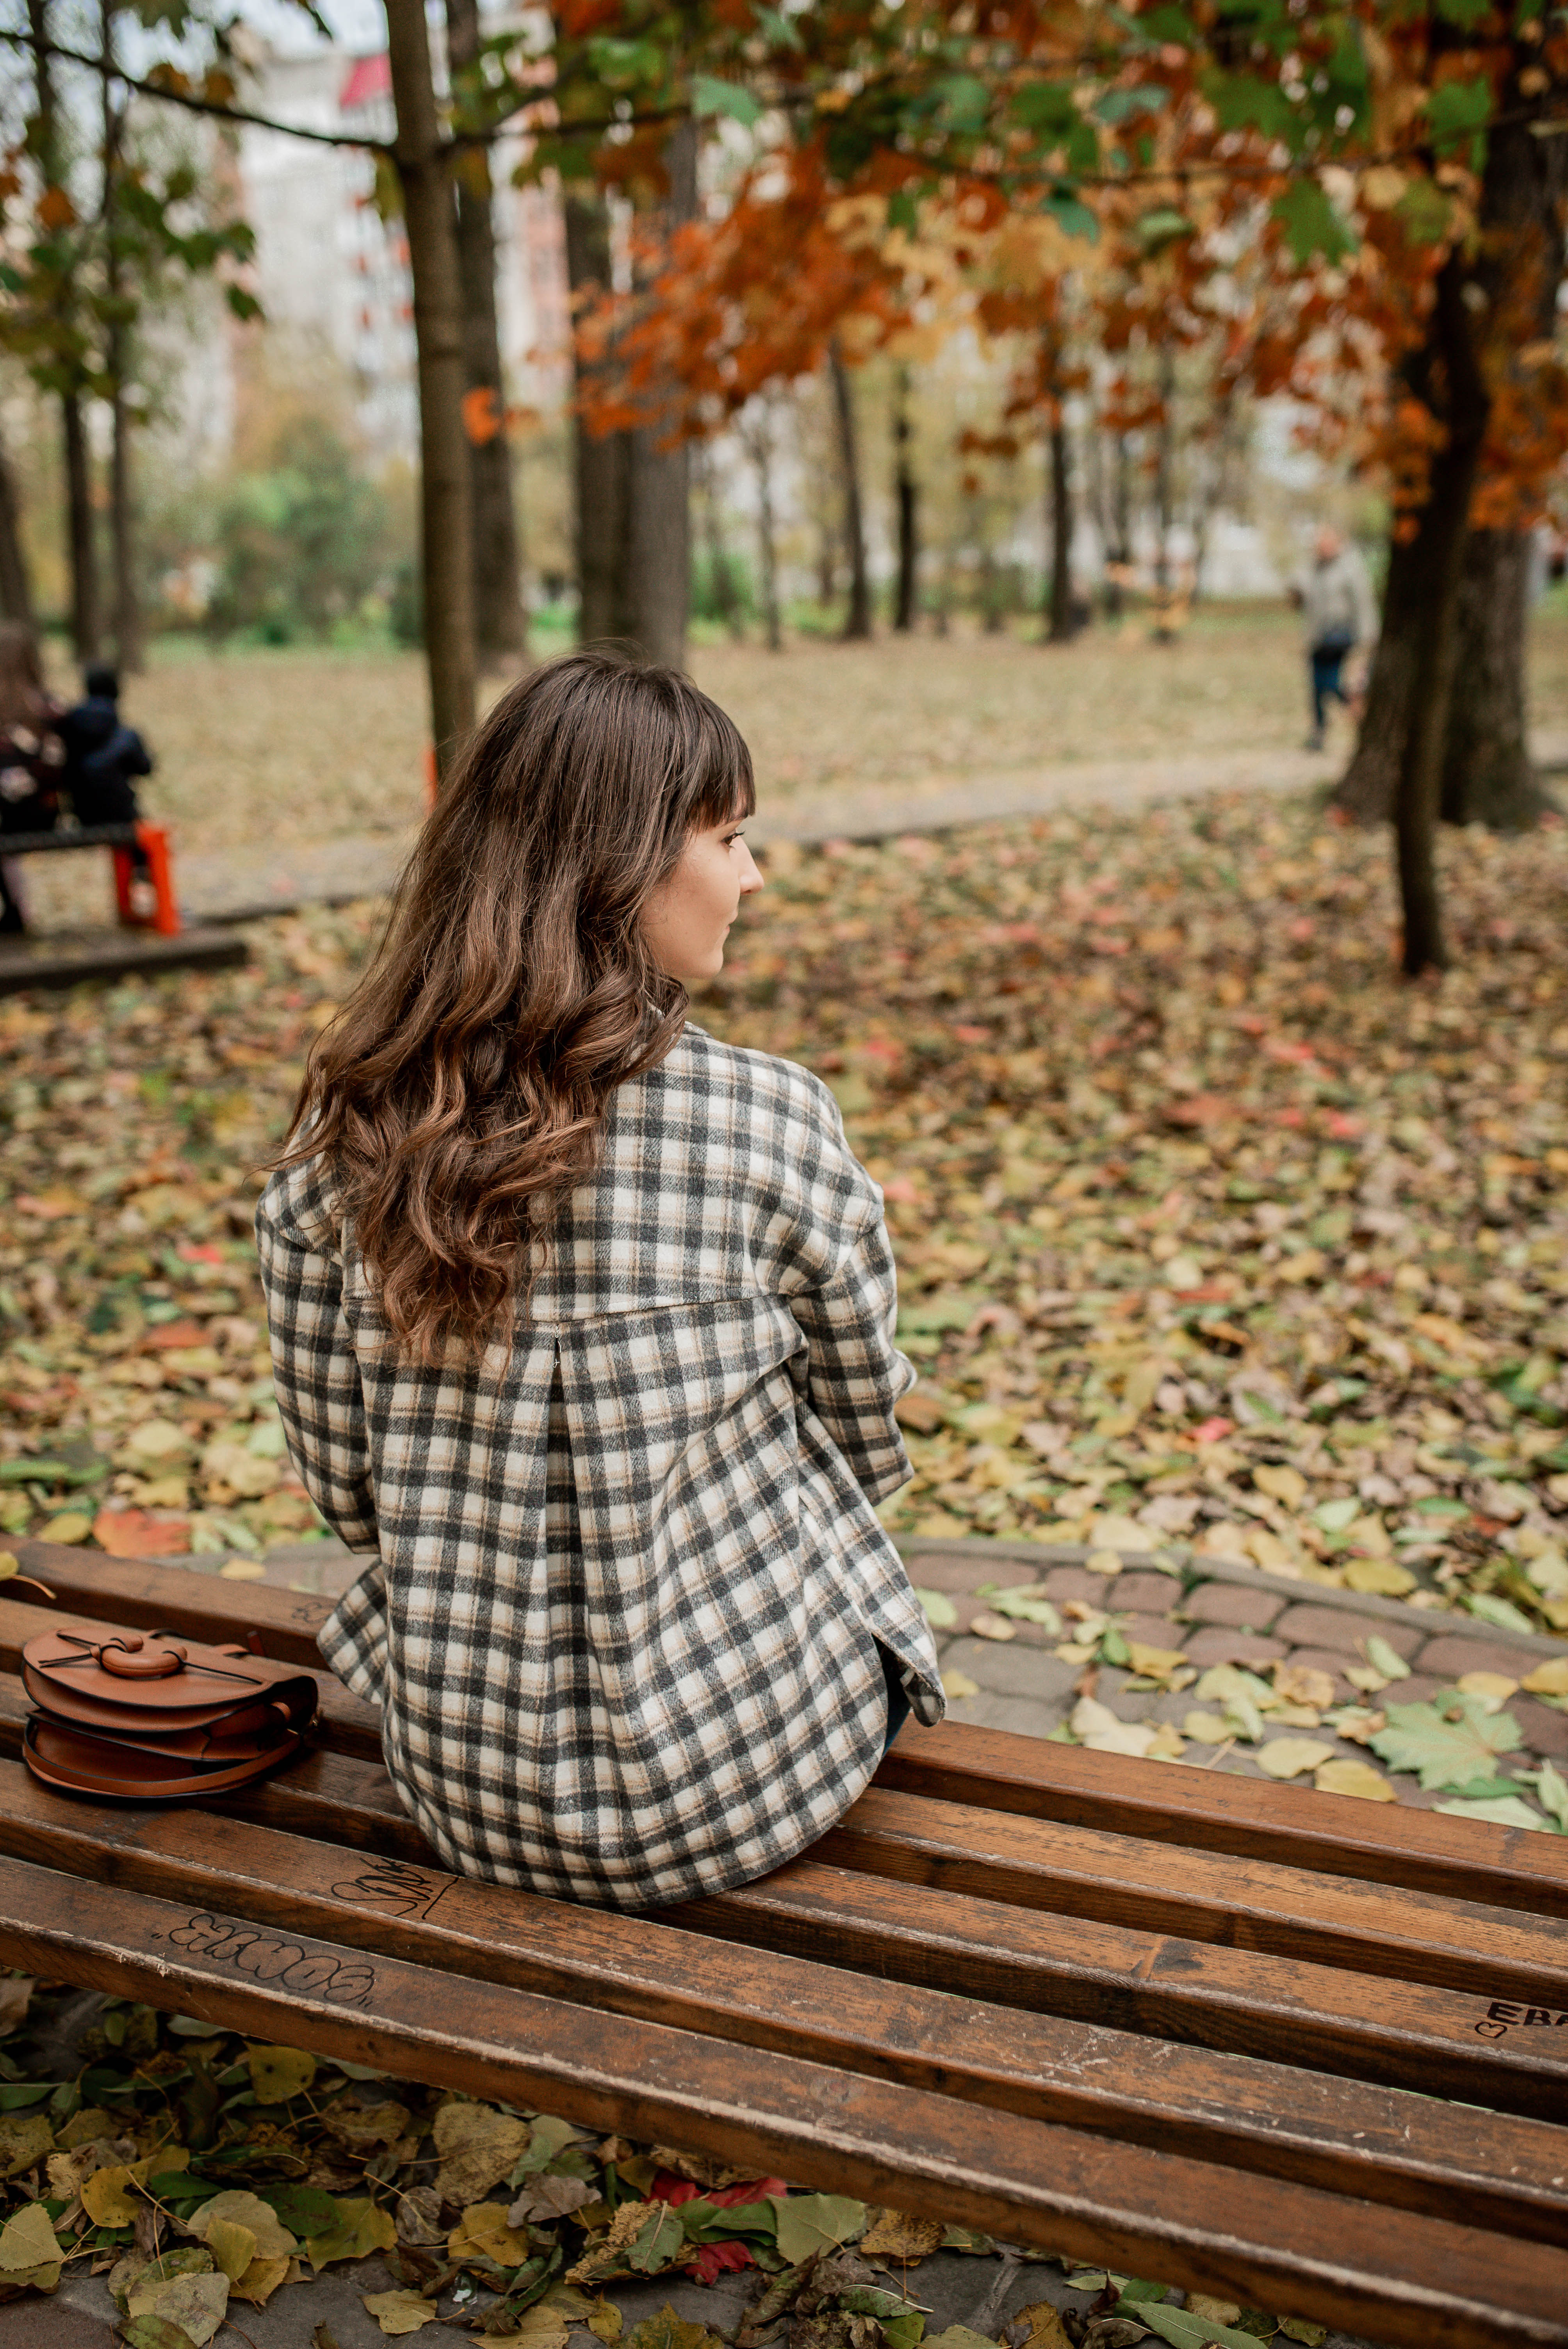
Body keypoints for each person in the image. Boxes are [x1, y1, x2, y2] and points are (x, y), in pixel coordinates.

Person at [256, 652, 943, 1910]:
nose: (753, 873)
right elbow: (866, 1438)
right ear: (619, 866)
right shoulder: (768, 1123)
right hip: (743, 1776)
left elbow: (350, 1495)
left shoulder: (340, 1151)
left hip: (469, 1790)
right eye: (729, 836)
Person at [0, 622, 65, 936]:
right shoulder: (51, 706)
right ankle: (16, 908)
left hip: (8, 816)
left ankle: (15, 908)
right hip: (45, 813)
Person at [1296, 526, 1377, 751]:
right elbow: (1302, 594)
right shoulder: (1314, 568)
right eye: (1319, 544)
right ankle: (1319, 735)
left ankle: (1361, 717)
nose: (1321, 548)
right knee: (1316, 688)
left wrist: (1368, 637)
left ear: (1338, 544)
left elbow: (1363, 604)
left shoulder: (1350, 568)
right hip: (1318, 638)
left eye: (1326, 543)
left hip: (1342, 636)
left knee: (1331, 684)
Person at [59, 661, 153, 831]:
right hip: (122, 815)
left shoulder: (68, 726)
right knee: (146, 839)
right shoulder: (126, 734)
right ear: (116, 691)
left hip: (83, 814)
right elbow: (145, 768)